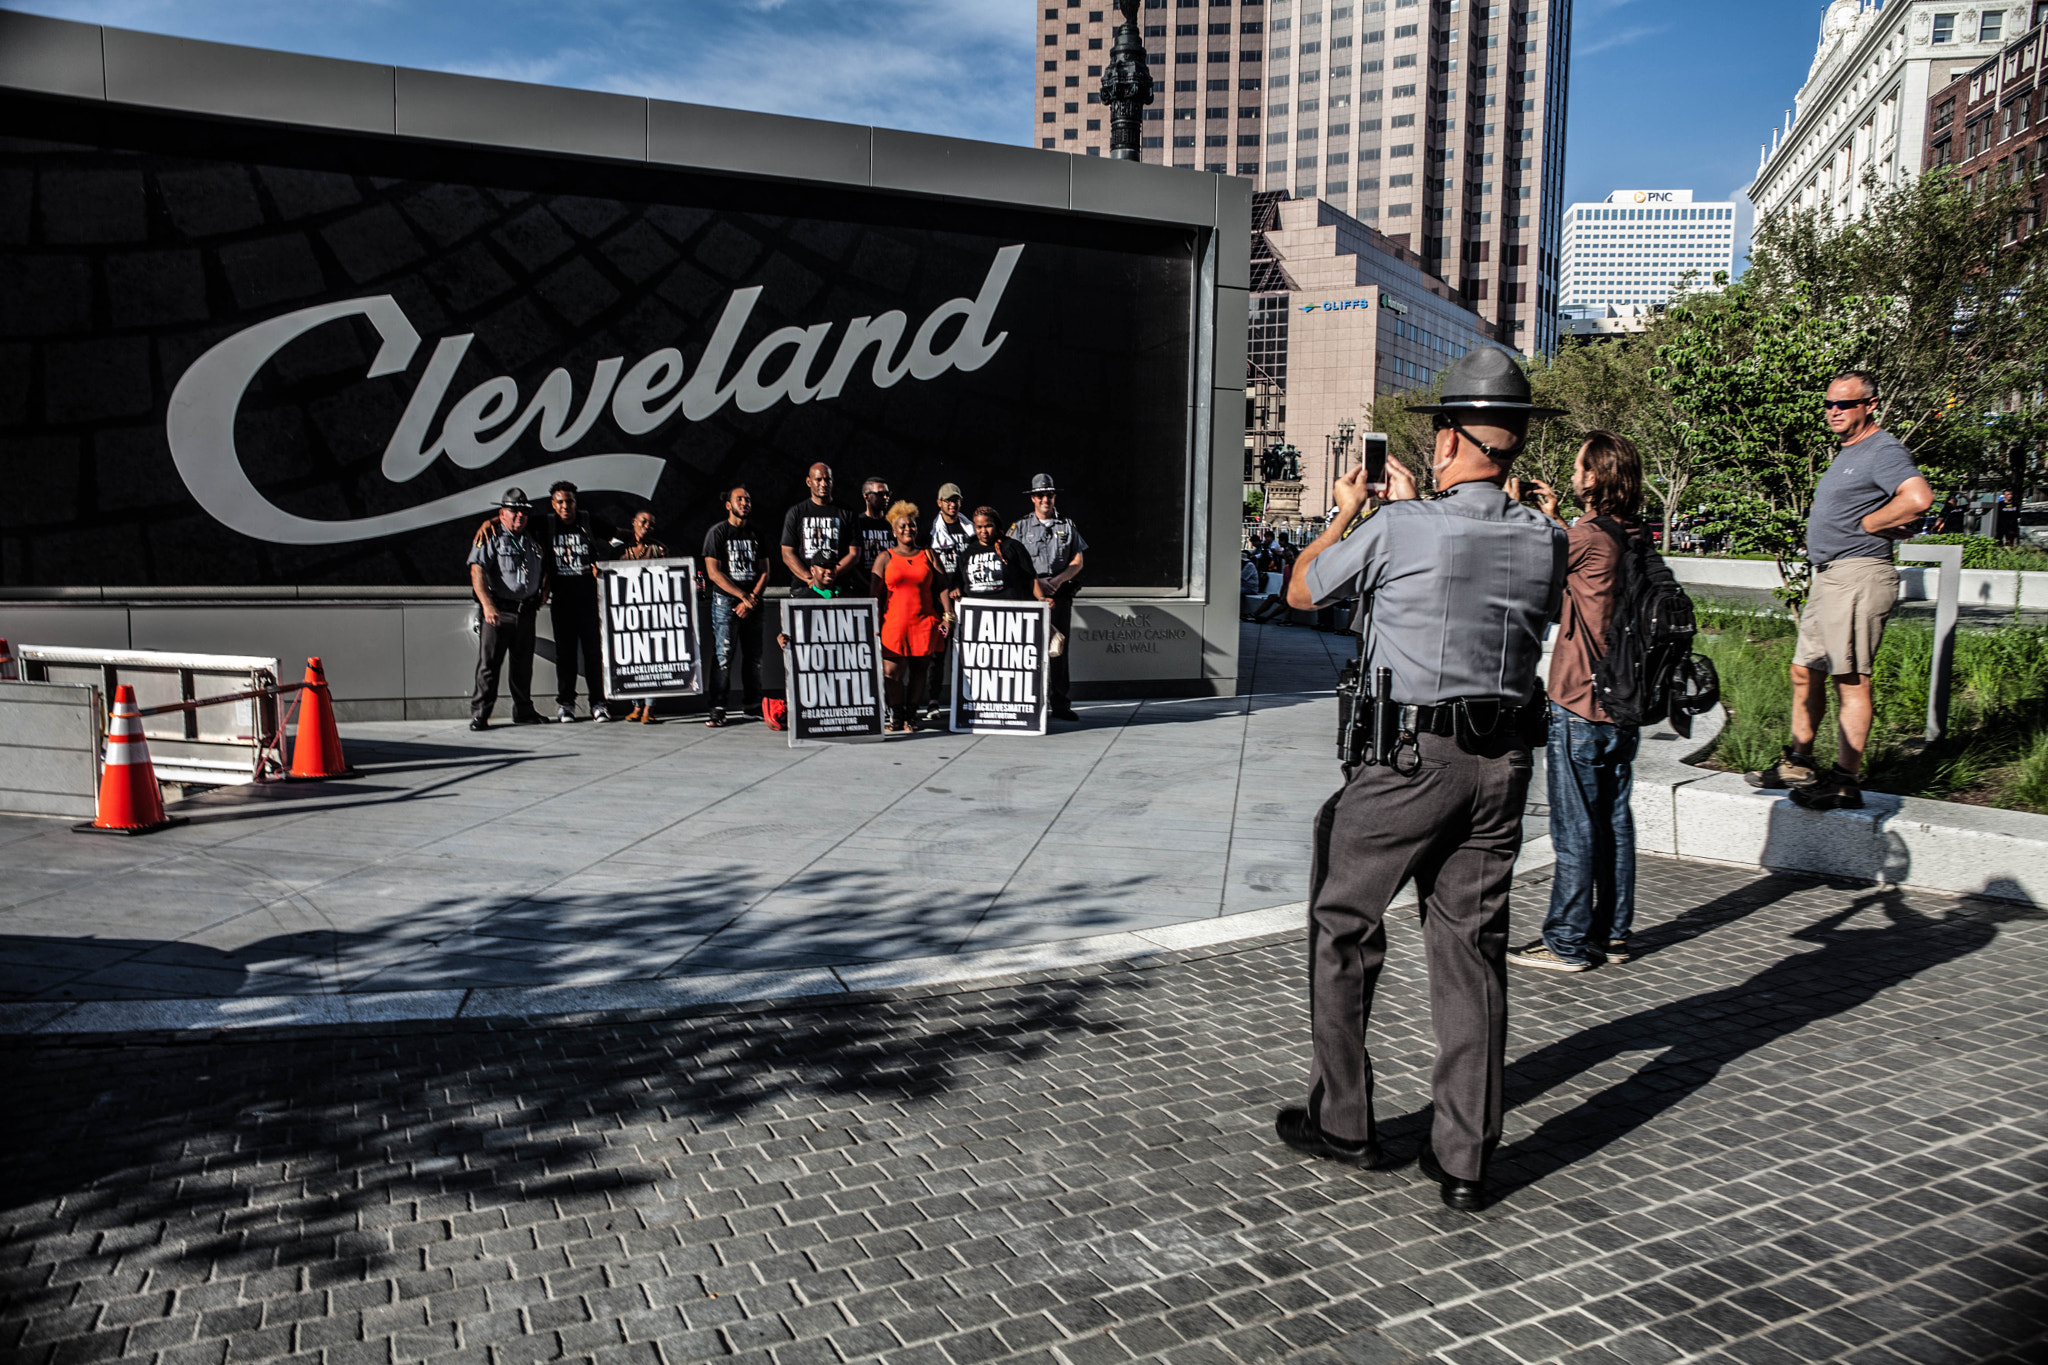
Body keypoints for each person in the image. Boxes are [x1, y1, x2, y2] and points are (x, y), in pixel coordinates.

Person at [1274, 347, 1567, 1212]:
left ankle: (1347, 1119)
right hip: (1501, 766)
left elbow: (1300, 591)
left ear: (1448, 439)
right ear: (1511, 443)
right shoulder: (1544, 539)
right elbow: (1477, 569)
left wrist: (1348, 514)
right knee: (1471, 951)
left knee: (1343, 922)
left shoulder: (1400, 528)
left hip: (1408, 763)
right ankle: (1466, 1159)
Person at [1746, 371, 1932, 811]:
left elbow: (1918, 498)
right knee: (1804, 670)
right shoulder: (1849, 453)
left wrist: (1871, 525)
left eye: (1844, 404)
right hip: (1829, 578)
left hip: (1857, 575)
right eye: (1829, 404)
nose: (1833, 411)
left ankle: (1846, 781)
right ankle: (1799, 762)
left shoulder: (1882, 450)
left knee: (1850, 680)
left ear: (1870, 405)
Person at [1508, 431, 1645, 974]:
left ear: (1594, 476)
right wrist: (1558, 518)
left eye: (1577, 465)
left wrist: (1517, 509)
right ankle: (1612, 933)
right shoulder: (1634, 533)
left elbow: (1537, 573)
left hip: (1581, 699)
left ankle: (1565, 941)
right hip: (1625, 701)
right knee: (1614, 820)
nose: (1571, 471)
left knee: (1574, 826)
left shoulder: (1587, 536)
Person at [467, 488, 551, 731]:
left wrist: (544, 589)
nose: (519, 516)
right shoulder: (491, 535)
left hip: (526, 611)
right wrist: (487, 605)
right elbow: (477, 571)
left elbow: (544, 566)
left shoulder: (533, 536)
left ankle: (523, 711)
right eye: (513, 511)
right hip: (498, 612)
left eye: (524, 512)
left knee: (523, 665)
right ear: (501, 514)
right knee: (489, 665)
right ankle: (480, 714)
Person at [1008, 474, 1086, 722]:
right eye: (1040, 495)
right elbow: (1010, 563)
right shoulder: (1019, 527)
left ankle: (1060, 704)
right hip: (1032, 595)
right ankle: (1029, 702)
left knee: (1059, 648)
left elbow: (1077, 561)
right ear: (1032, 498)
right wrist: (1036, 584)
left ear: (1054, 497)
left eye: (1049, 495)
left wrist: (1059, 580)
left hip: (1059, 594)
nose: (1045, 499)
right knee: (1029, 649)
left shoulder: (1067, 526)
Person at [872, 500, 949, 732]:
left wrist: (947, 617)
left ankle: (911, 715)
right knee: (891, 673)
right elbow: (873, 594)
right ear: (894, 530)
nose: (908, 529)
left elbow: (942, 586)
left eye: (912, 525)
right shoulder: (884, 558)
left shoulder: (928, 554)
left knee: (919, 670)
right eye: (903, 526)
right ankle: (896, 715)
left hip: (924, 623)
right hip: (893, 625)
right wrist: (872, 625)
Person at [540, 482, 614, 723]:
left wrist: (603, 560)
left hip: (589, 601)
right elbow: (514, 523)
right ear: (553, 504)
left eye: (569, 501)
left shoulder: (587, 521)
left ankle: (598, 704)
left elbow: (617, 538)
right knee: (566, 655)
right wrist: (489, 523)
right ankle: (566, 704)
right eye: (560, 501)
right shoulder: (548, 524)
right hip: (562, 601)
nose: (565, 506)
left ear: (575, 502)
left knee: (594, 654)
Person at [702, 485, 769, 728]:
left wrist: (751, 599)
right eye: (739, 499)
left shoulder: (756, 533)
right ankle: (717, 708)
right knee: (723, 655)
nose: (745, 503)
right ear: (728, 505)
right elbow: (713, 573)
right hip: (726, 602)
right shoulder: (717, 533)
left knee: (754, 658)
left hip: (753, 603)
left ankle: (752, 707)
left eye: (748, 499)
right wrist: (743, 596)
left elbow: (765, 571)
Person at [615, 510, 668, 724]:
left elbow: (670, 574)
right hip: (628, 614)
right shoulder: (620, 550)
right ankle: (636, 706)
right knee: (632, 659)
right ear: (633, 522)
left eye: (651, 524)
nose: (647, 525)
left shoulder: (659, 549)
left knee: (653, 660)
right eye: (643, 521)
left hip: (653, 614)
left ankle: (649, 707)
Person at [926, 483, 972, 721]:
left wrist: (962, 588)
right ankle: (933, 700)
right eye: (947, 500)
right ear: (939, 503)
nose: (952, 504)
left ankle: (966, 698)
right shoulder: (932, 531)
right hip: (941, 599)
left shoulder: (970, 528)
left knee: (969, 650)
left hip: (967, 597)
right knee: (938, 651)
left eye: (956, 500)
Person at [780, 462, 859, 589]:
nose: (823, 484)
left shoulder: (847, 513)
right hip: (805, 587)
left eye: (827, 479)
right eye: (818, 479)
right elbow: (787, 553)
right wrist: (811, 579)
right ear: (808, 482)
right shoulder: (796, 512)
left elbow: (854, 554)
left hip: (839, 587)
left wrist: (828, 576)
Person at [950, 507, 1037, 603]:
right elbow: (958, 579)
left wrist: (1041, 599)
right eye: (979, 527)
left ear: (996, 525)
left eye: (988, 526)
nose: (984, 531)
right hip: (976, 611)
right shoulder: (968, 552)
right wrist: (956, 589)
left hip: (1008, 610)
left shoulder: (1012, 546)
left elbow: (1031, 578)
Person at [850, 476, 895, 587]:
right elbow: (851, 560)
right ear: (866, 496)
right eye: (880, 494)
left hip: (892, 585)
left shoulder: (894, 524)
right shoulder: (857, 523)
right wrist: (868, 585)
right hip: (863, 586)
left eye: (887, 494)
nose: (885, 497)